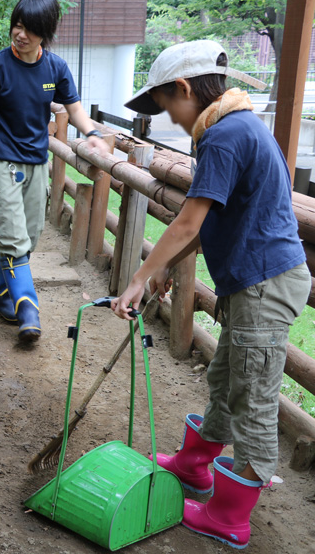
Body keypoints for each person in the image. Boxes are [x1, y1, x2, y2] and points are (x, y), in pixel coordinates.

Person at [112, 39, 311, 549]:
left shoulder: (224, 136)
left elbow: (189, 221)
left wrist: (138, 277)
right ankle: (195, 465)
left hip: (263, 283)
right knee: (228, 377)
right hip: (250, 281)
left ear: (184, 88)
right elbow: (209, 220)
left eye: (166, 106)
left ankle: (228, 516)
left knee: (253, 397)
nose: (170, 119)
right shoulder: (229, 127)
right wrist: (167, 267)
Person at [0, 0, 110, 344]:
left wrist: (93, 133)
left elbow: (74, 108)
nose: (20, 34)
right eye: (17, 25)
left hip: (36, 164)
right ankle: (29, 309)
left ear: (46, 32)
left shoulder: (54, 67)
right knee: (14, 238)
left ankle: (2, 298)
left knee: (27, 240)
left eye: (29, 29)